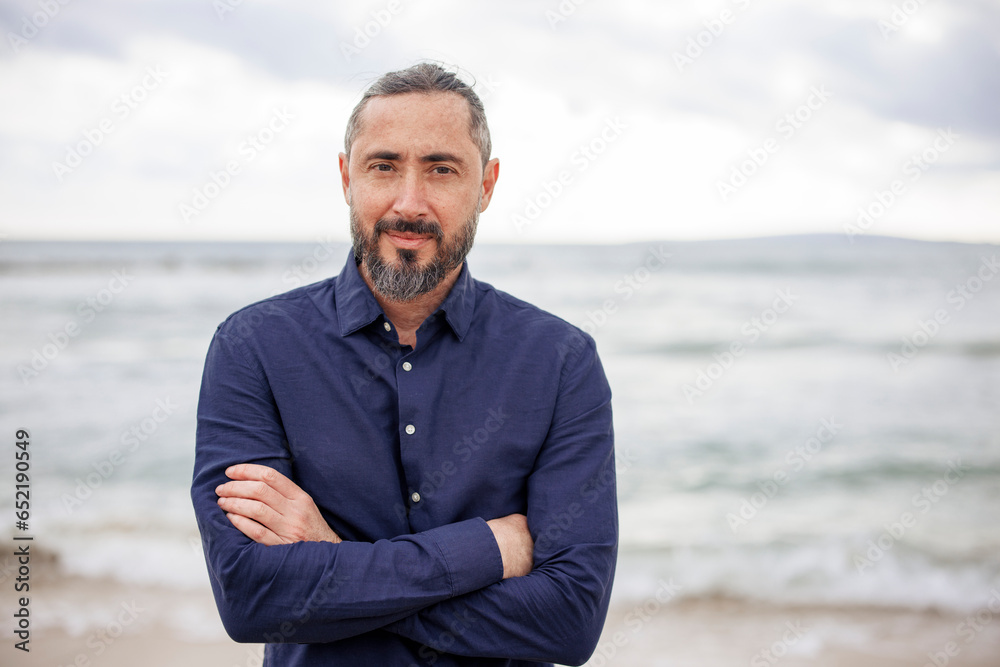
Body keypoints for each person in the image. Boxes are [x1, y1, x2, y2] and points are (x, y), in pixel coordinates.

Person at [191, 62, 617, 667]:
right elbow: (251, 597)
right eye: (383, 166)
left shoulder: (561, 361)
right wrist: (489, 548)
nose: (409, 203)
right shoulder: (253, 347)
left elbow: (569, 622)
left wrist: (332, 558)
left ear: (487, 186)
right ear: (346, 177)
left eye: (442, 169)